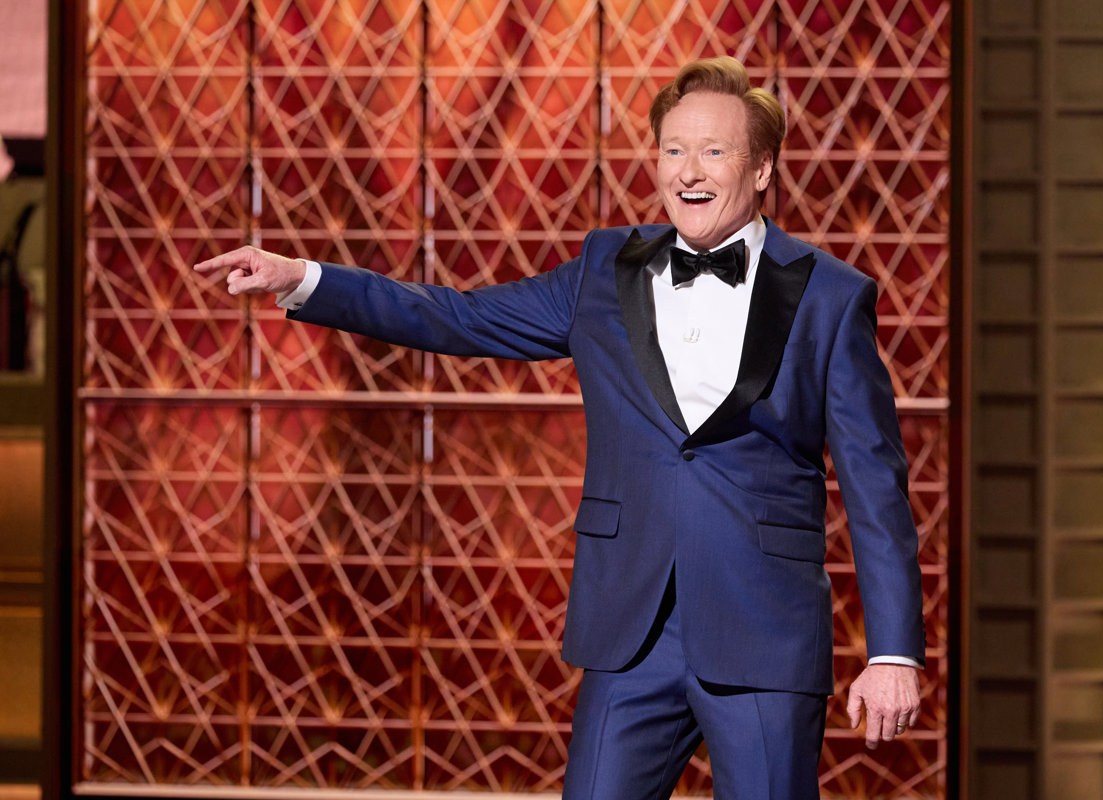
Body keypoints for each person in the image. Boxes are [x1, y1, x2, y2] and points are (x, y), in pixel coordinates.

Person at [195, 56, 924, 800]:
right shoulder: (605, 269)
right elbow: (460, 316)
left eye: (714, 151)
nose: (688, 171)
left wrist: (894, 652)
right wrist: (305, 279)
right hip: (629, 634)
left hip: (765, 632)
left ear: (762, 168)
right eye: (673, 149)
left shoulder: (832, 297)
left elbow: (876, 489)